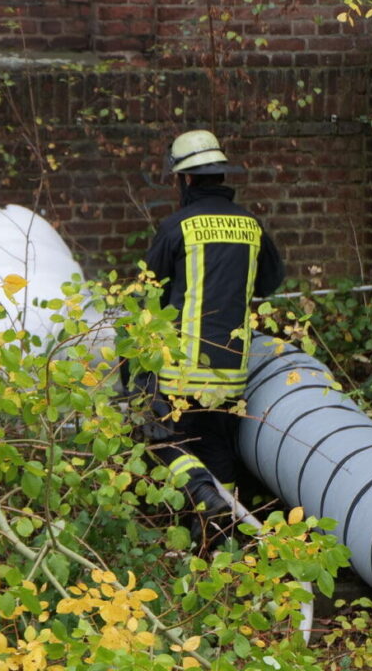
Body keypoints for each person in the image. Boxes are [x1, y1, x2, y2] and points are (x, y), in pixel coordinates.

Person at [137, 129, 284, 526]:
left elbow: (146, 298)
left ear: (185, 179)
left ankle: (193, 533)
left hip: (180, 373)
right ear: (220, 175)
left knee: (170, 448)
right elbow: (269, 283)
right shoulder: (251, 227)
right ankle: (225, 552)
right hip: (230, 375)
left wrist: (136, 376)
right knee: (220, 456)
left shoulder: (176, 228)